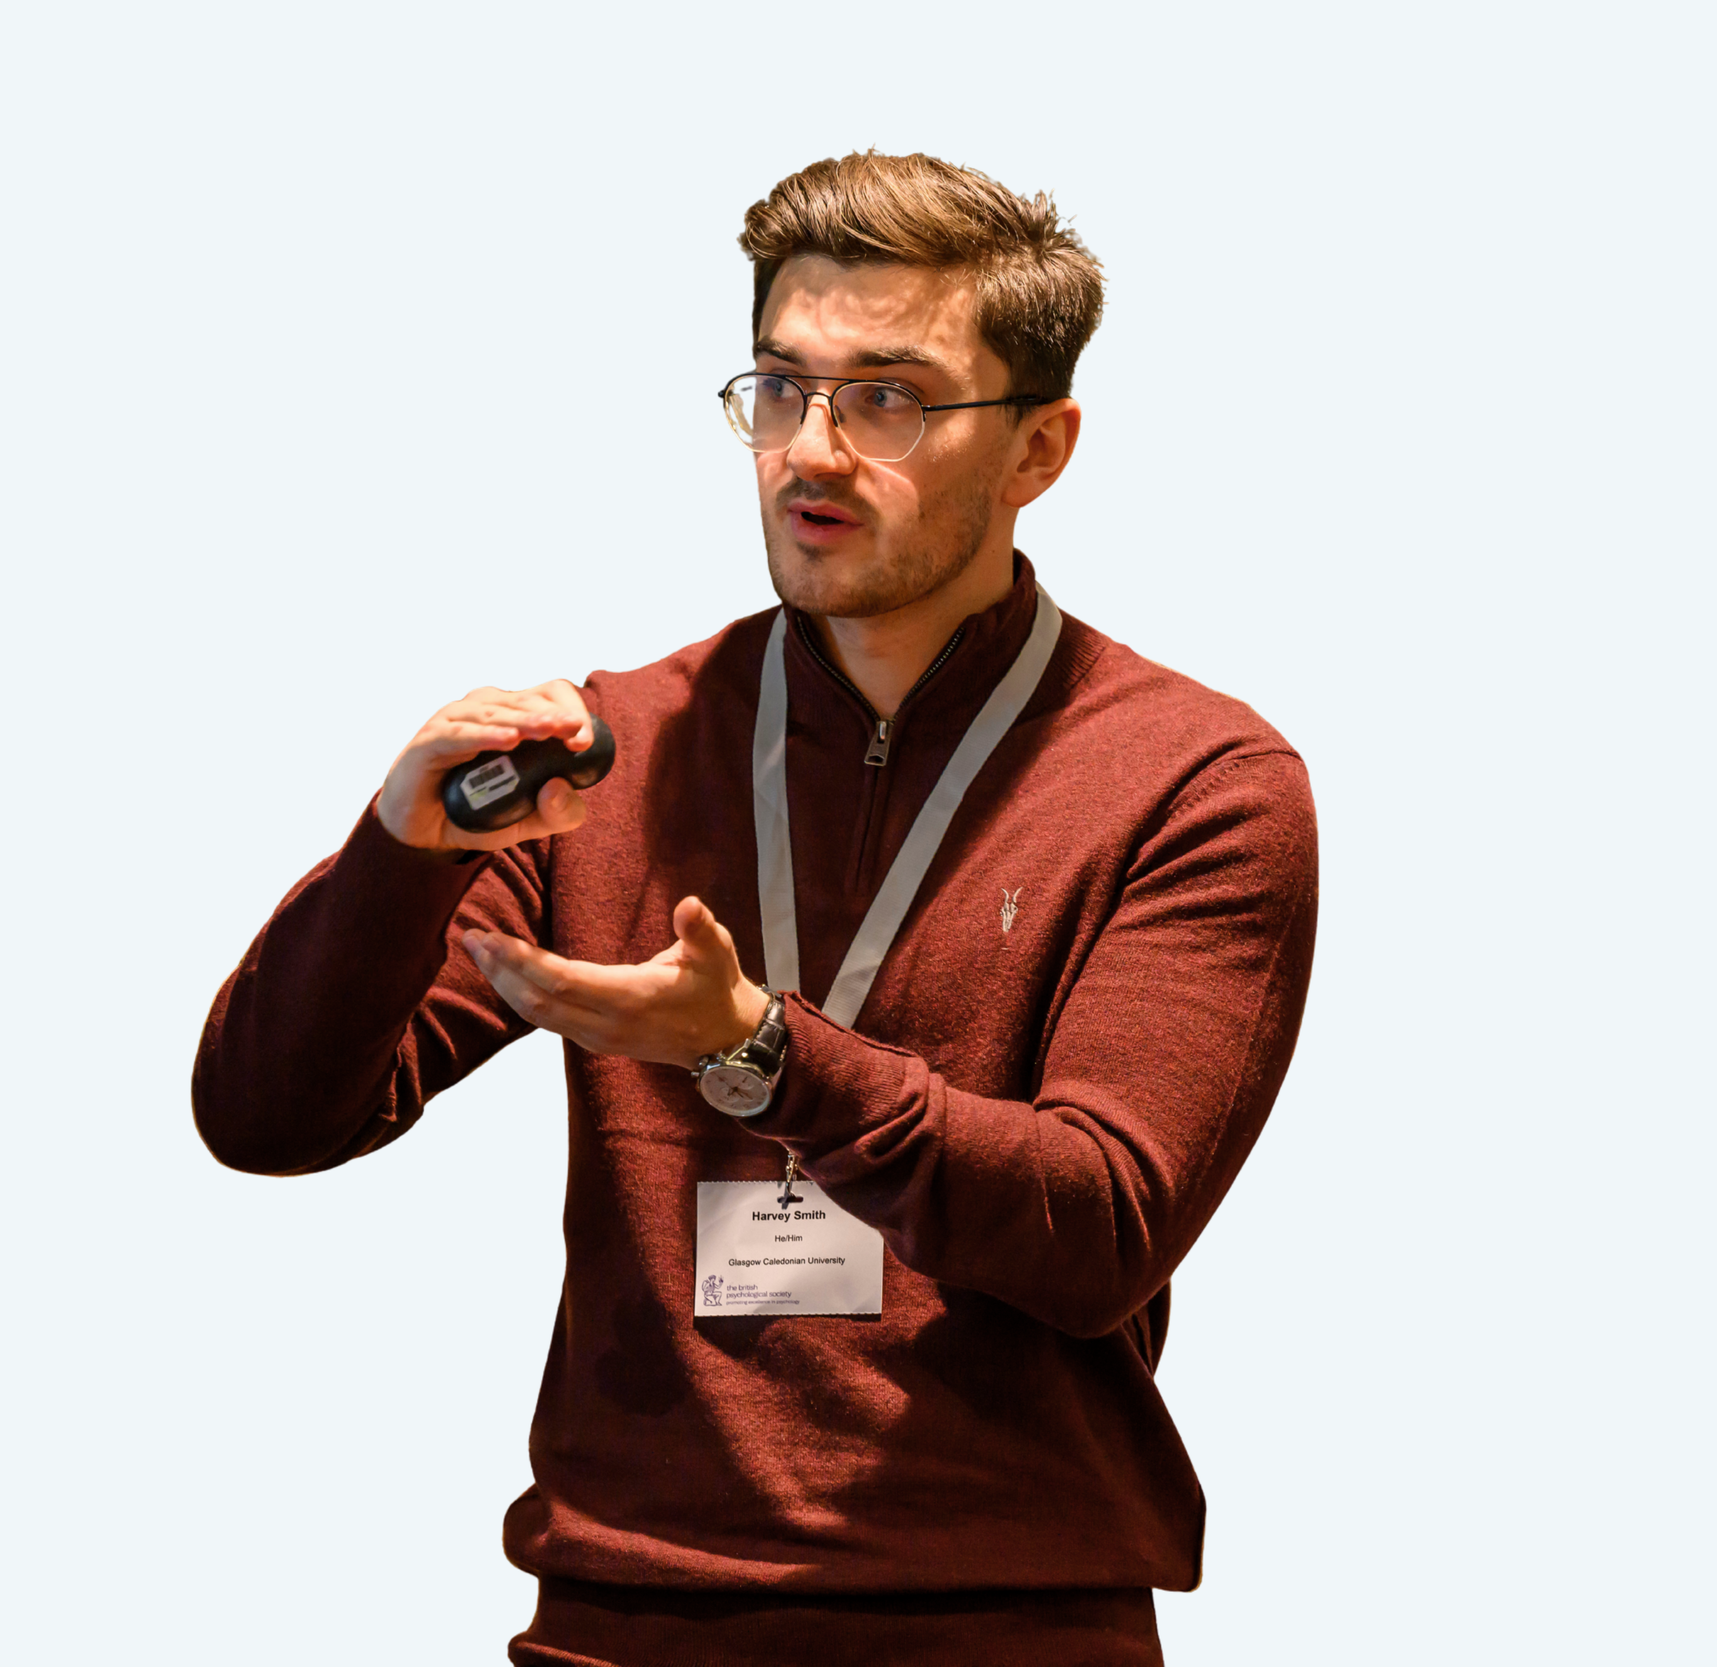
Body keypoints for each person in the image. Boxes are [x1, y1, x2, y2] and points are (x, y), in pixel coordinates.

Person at [193, 151, 1318, 1666]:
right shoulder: (608, 757)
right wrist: (399, 850)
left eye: (889, 400)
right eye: (780, 390)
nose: (813, 451)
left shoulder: (1193, 780)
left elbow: (1096, 1220)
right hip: (621, 1622)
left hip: (1001, 1631)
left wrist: (762, 1055)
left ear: (1041, 446)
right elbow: (271, 1115)